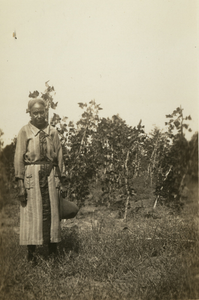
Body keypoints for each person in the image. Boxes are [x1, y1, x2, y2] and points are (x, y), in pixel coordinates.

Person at [14, 98, 66, 262]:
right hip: (32, 176)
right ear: (29, 113)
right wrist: (20, 183)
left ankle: (53, 252)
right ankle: (32, 254)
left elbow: (59, 155)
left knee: (53, 213)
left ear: (46, 112)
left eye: (41, 112)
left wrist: (62, 178)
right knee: (32, 214)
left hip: (51, 176)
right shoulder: (24, 131)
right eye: (34, 113)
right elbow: (18, 158)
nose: (38, 116)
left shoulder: (53, 131)